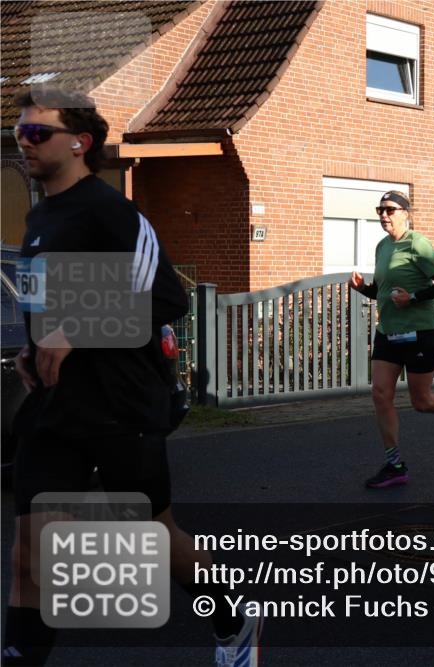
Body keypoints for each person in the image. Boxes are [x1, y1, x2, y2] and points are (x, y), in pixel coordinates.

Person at [6, 91, 259, 666]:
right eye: (20, 131)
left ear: (80, 143)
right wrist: (35, 344)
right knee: (30, 554)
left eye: (37, 133)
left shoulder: (110, 210)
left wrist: (74, 333)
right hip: (55, 409)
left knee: (154, 532)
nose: (24, 141)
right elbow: (51, 301)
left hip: (121, 404)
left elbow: (169, 296)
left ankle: (233, 619)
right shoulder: (40, 215)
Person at [349, 191, 434, 488]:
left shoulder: (417, 243)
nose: (384, 215)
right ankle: (395, 464)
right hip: (388, 332)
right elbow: (382, 291)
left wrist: (414, 297)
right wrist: (363, 289)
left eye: (390, 209)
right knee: (380, 393)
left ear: (406, 212)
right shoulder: (382, 246)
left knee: (421, 401)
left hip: (420, 332)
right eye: (380, 209)